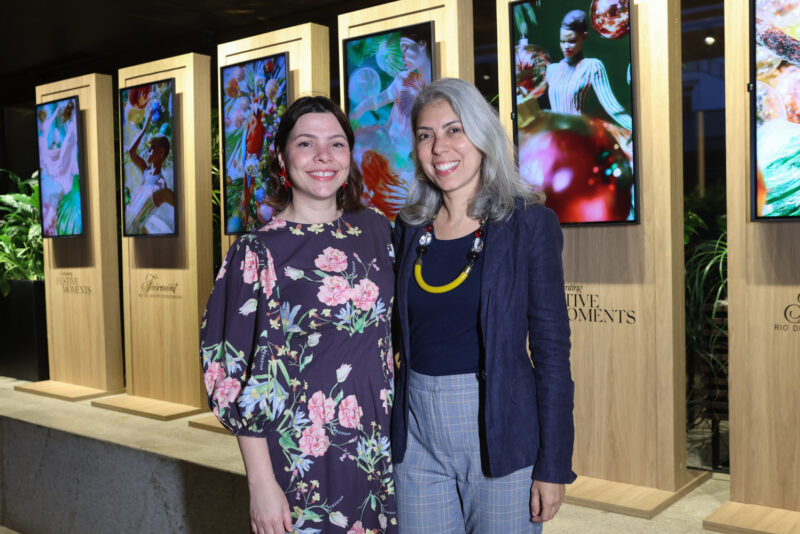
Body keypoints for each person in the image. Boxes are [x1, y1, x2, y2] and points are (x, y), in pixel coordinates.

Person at [201, 96, 397, 534]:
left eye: (337, 144)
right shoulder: (257, 252)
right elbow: (233, 377)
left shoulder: (376, 230)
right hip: (301, 460)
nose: (324, 157)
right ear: (282, 158)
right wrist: (261, 484)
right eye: (306, 144)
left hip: (379, 453)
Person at [391, 78, 575, 533]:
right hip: (415, 432)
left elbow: (552, 352)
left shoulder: (528, 225)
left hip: (499, 427)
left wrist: (553, 464)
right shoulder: (410, 228)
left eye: (454, 130)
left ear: (483, 135)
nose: (440, 148)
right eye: (425, 135)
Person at [545, 9, 632, 132]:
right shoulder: (552, 70)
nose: (566, 46)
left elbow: (611, 106)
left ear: (583, 36)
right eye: (562, 41)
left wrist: (636, 127)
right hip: (554, 138)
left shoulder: (592, 66)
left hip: (578, 137)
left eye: (572, 41)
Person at [125, 106, 174, 234]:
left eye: (152, 148)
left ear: (161, 153)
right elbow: (131, 151)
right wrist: (145, 128)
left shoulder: (160, 185)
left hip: (133, 231)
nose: (148, 150)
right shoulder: (146, 171)